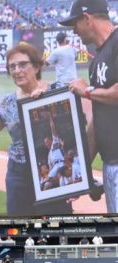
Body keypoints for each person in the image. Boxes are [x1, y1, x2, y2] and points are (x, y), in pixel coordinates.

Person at [0, 42, 73, 216]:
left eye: (23, 64)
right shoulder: (7, 103)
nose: (17, 70)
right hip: (19, 175)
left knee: (56, 226)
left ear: (37, 66)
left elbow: (72, 133)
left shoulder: (58, 91)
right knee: (20, 228)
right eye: (12, 66)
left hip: (50, 168)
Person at [62, 0, 118, 212]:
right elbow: (98, 118)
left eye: (74, 24)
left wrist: (86, 91)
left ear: (87, 18)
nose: (73, 31)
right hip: (110, 163)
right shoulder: (96, 61)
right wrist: (80, 174)